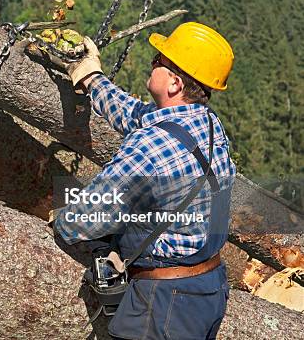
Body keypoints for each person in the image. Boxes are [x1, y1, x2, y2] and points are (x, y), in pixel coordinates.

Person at [53, 22, 237, 339]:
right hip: (210, 288)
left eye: (158, 61)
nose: (152, 61)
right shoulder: (207, 124)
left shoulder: (149, 148)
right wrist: (92, 78)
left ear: (175, 84)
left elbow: (81, 221)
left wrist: (62, 217)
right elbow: (137, 115)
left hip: (165, 305)